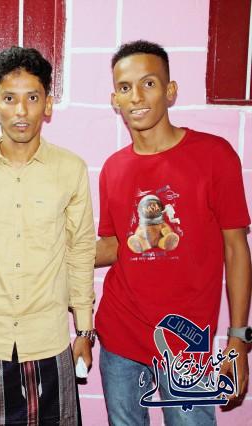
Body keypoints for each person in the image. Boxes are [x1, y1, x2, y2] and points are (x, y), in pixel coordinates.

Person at [0, 46, 96, 425]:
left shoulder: (70, 169)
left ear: (48, 104)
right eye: (9, 99)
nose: (21, 111)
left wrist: (84, 330)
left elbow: (80, 251)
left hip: (47, 340)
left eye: (32, 98)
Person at [95, 40, 251, 425]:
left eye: (148, 83)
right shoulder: (113, 168)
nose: (136, 97)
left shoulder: (215, 155)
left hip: (187, 343)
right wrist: (48, 249)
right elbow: (114, 246)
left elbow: (236, 249)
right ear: (115, 99)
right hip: (120, 336)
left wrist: (238, 337)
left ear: (170, 91)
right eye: (125, 87)